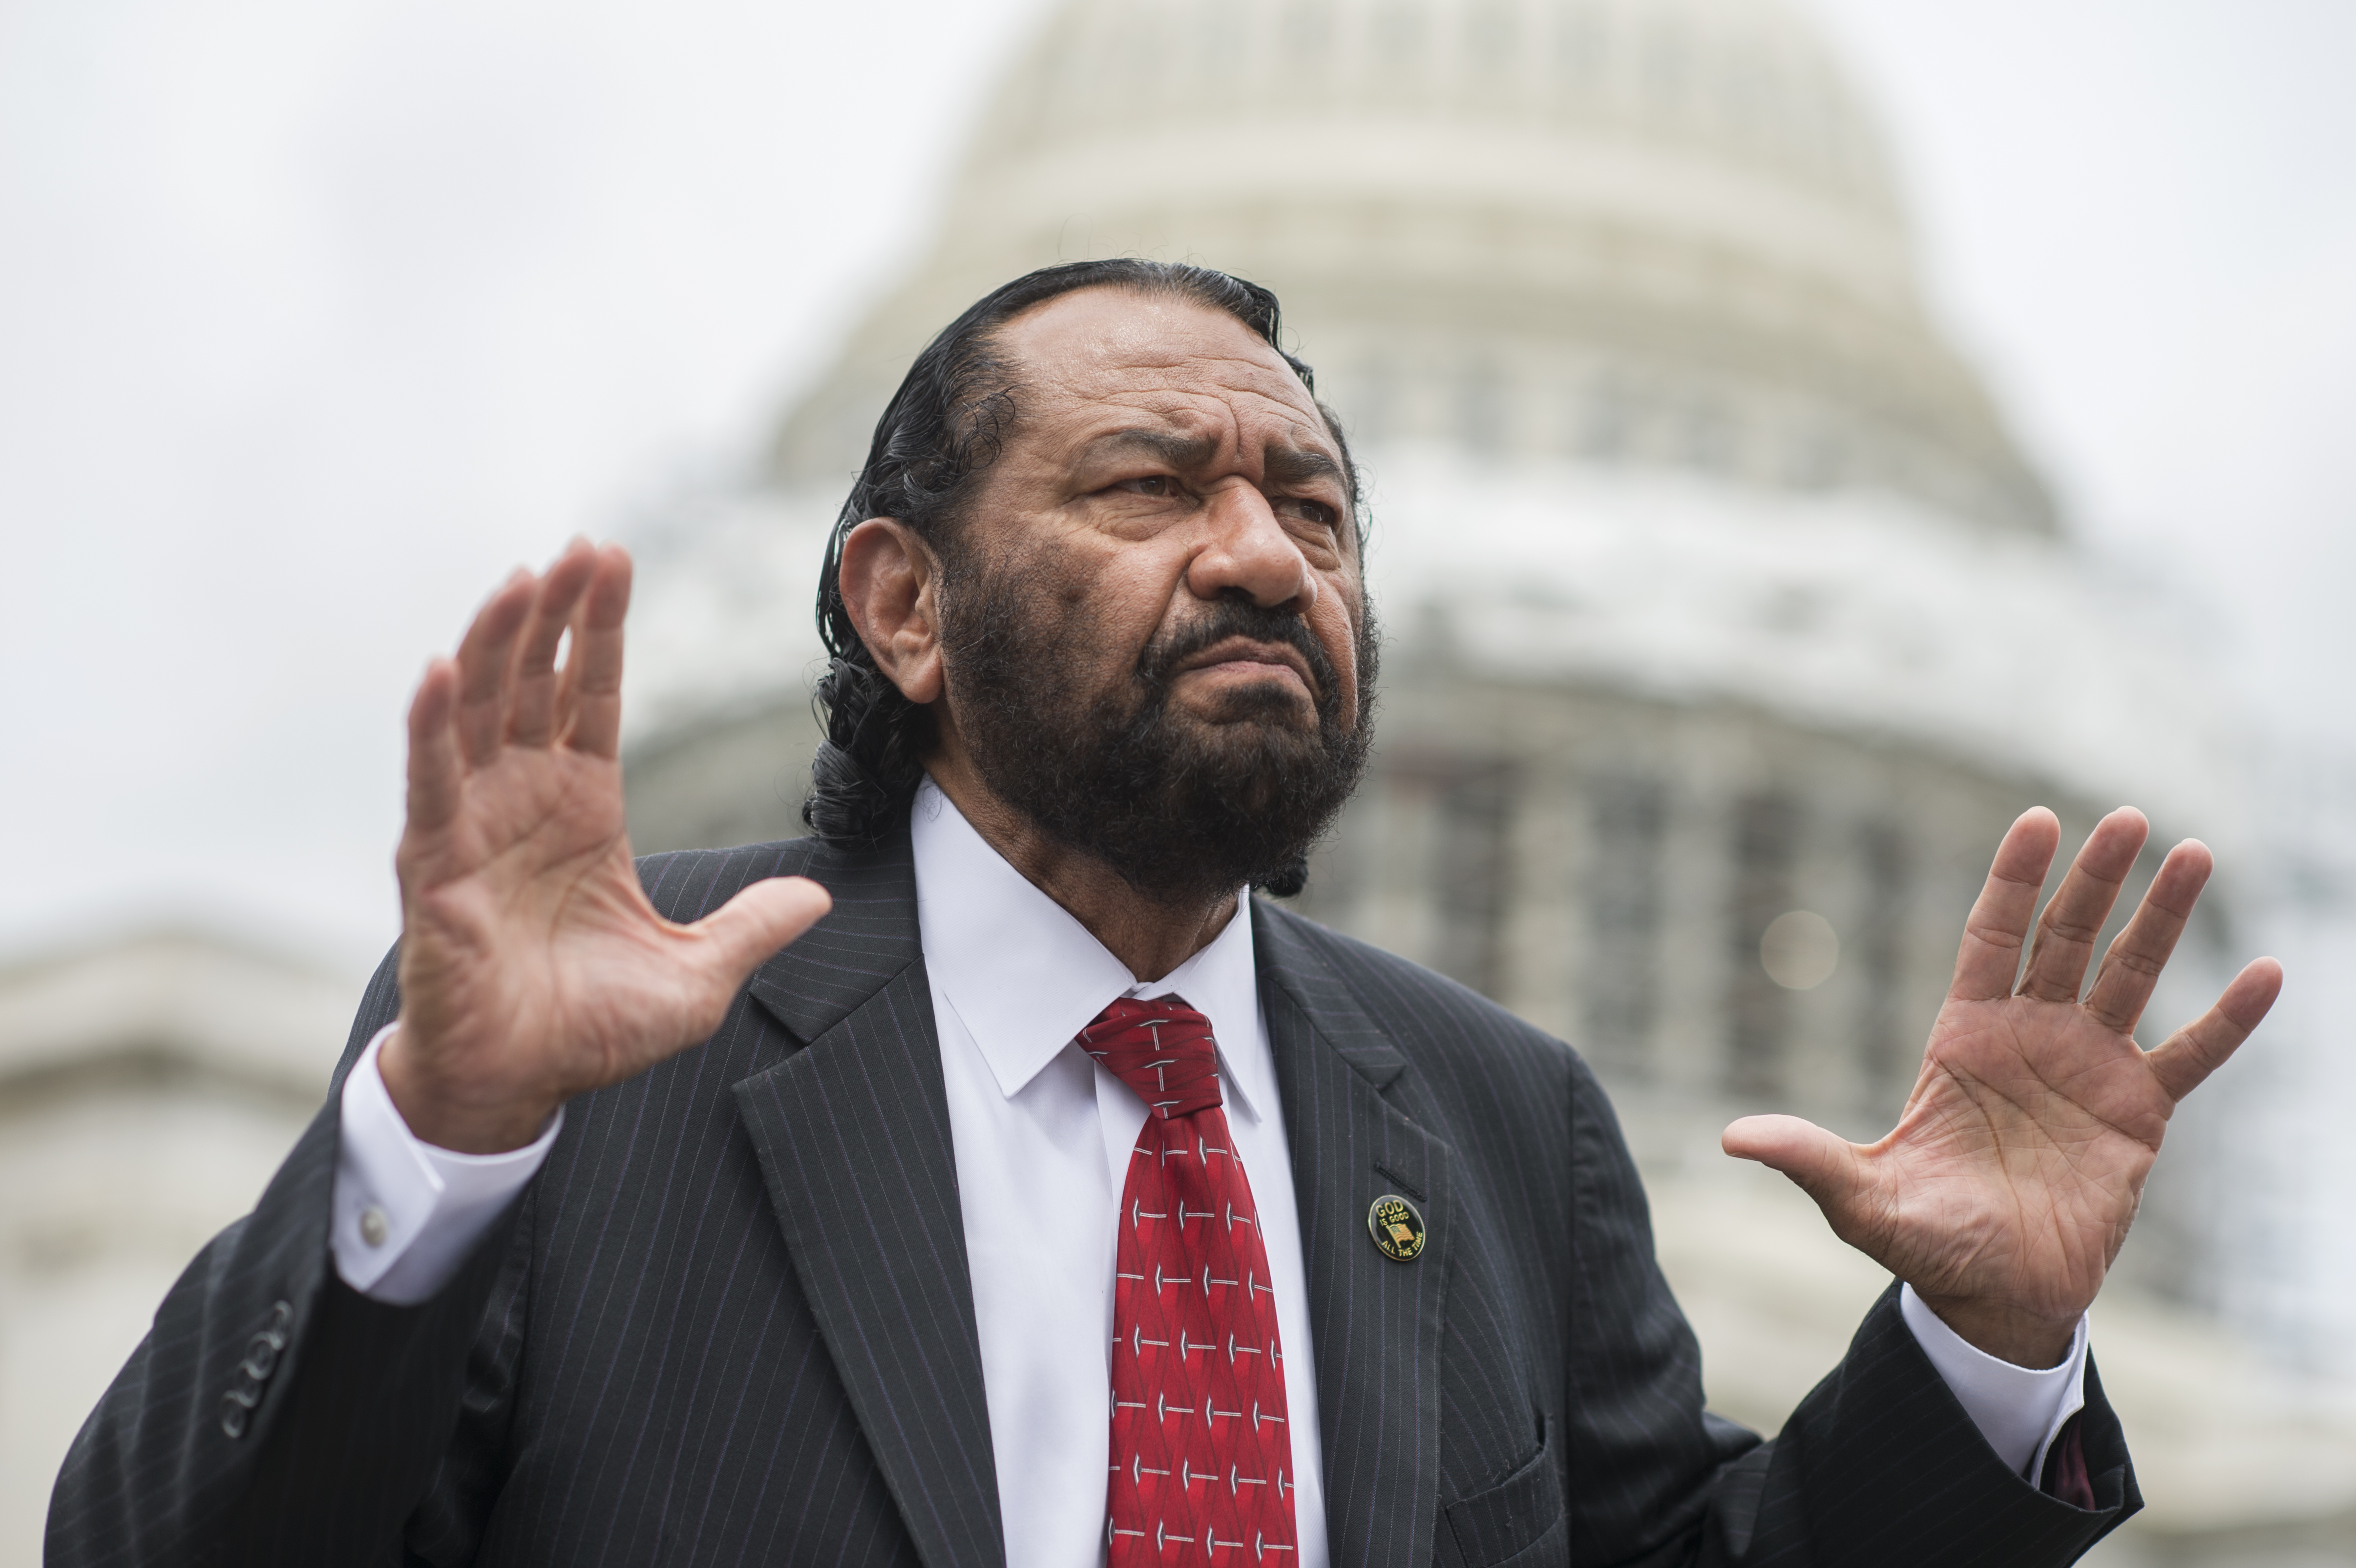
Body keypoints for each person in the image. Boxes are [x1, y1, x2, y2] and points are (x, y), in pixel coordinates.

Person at [48, 261, 2281, 1568]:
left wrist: (1981, 1355)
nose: (1261, 550)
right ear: (903, 602)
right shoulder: (606, 1057)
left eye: (1313, 502)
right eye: (1150, 484)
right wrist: (434, 1143)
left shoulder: (1498, 1123)